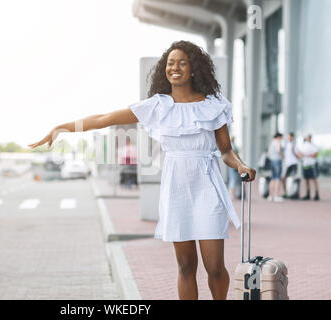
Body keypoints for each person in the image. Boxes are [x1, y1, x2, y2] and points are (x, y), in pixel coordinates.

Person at [28, 40, 256, 300]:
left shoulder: (213, 105)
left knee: (214, 267)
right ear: (165, 69)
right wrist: (62, 127)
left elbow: (225, 150)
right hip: (176, 189)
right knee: (185, 266)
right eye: (171, 63)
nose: (175, 67)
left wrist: (241, 165)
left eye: (182, 62)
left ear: (194, 69)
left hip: (207, 187)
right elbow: (104, 119)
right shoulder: (157, 106)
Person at [297, 134, 320, 201]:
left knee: (314, 179)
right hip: (305, 165)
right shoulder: (303, 146)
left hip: (312, 165)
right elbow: (300, 154)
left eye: (309, 138)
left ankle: (316, 194)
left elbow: (316, 154)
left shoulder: (314, 146)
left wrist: (308, 155)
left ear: (310, 138)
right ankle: (308, 194)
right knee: (306, 180)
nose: (308, 139)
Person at [281, 132, 300, 198]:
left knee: (292, 179)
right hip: (287, 164)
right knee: (283, 178)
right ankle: (285, 192)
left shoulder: (295, 145)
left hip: (293, 163)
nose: (288, 138)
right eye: (287, 136)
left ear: (292, 137)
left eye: (289, 136)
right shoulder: (285, 144)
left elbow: (298, 155)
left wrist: (293, 152)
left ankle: (293, 193)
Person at [267, 133, 284, 202]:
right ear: (279, 137)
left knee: (273, 178)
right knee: (277, 178)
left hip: (272, 161)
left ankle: (270, 196)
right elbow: (278, 150)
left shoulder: (271, 143)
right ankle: (276, 196)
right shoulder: (278, 142)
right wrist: (282, 156)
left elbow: (268, 154)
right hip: (277, 161)